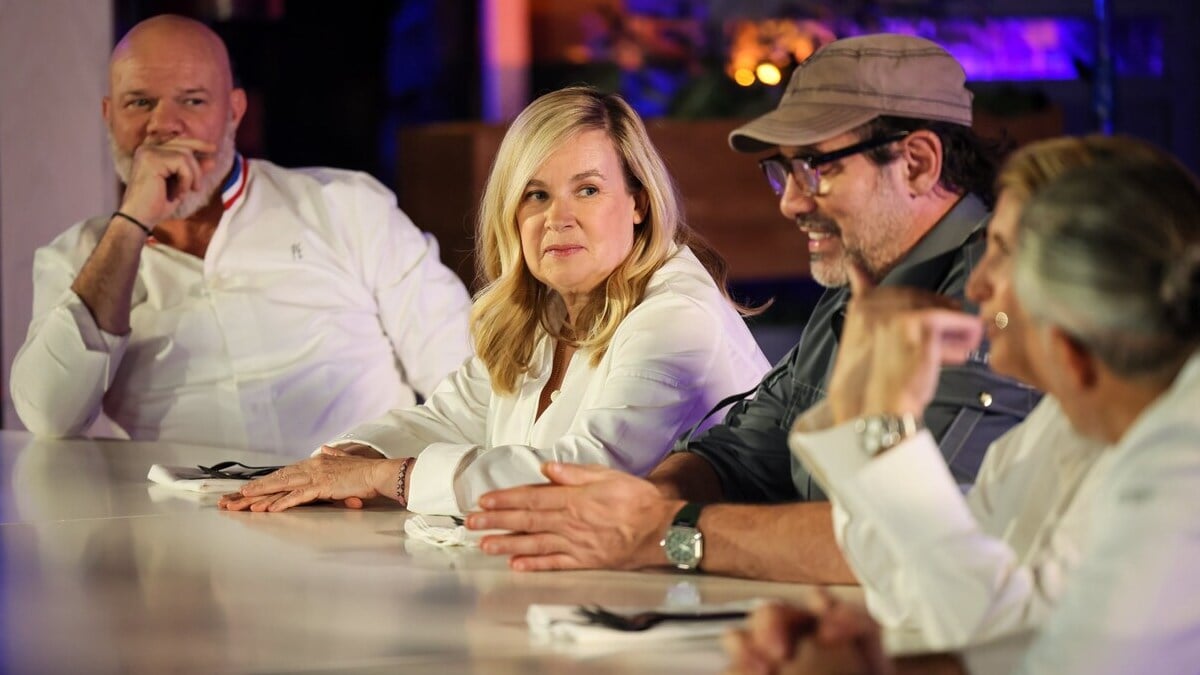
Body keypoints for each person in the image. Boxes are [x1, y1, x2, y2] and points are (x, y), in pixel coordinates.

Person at [466, 33, 1035, 582]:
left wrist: (662, 531)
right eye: (783, 171)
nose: (791, 201)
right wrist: (641, 503)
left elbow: (904, 540)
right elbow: (746, 450)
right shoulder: (863, 283)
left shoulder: (998, 300)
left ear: (916, 163)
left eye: (815, 168)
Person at [725, 143, 1200, 674]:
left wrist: (885, 435)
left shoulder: (1183, 455)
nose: (977, 284)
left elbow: (1036, 650)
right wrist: (864, 656)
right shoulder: (1053, 427)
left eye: (1002, 250)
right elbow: (925, 598)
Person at [217, 86, 771, 516]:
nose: (558, 217)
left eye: (587, 190)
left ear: (638, 203)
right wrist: (339, 461)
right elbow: (448, 418)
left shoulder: (676, 314)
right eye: (536, 194)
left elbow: (587, 474)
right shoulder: (544, 309)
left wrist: (391, 477)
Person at [9, 15, 472, 455]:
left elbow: (464, 369)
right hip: (177, 509)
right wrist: (132, 222)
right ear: (109, 115)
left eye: (192, 101)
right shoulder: (76, 258)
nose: (164, 125)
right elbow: (49, 415)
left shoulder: (346, 206)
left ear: (234, 111)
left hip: (360, 497)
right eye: (140, 103)